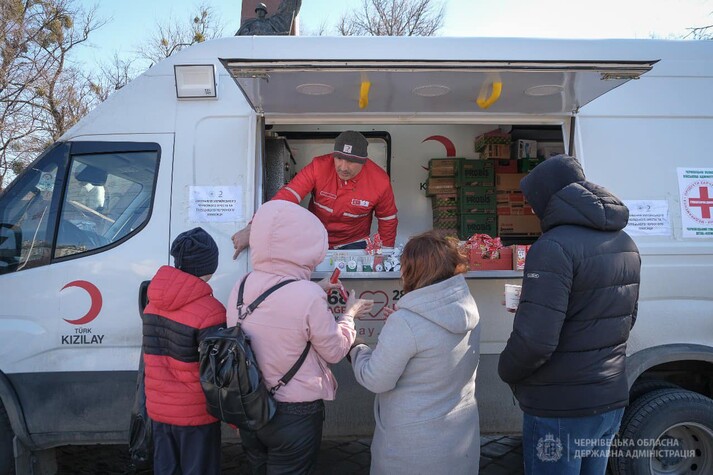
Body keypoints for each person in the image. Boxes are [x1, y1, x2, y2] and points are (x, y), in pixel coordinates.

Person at [497, 155, 641, 475]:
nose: (531, 210)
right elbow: (624, 319)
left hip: (561, 407)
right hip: (610, 399)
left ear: (548, 197)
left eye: (533, 201)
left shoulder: (552, 247)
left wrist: (506, 369)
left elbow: (535, 341)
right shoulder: (625, 242)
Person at [227, 200, 373, 474]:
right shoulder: (308, 295)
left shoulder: (241, 285)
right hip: (295, 414)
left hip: (250, 405)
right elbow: (334, 351)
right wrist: (349, 314)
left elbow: (276, 303)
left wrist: (317, 287)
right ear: (306, 244)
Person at [349, 230, 481, 475]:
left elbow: (375, 379)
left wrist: (355, 345)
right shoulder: (467, 306)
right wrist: (403, 327)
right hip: (459, 442)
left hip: (412, 451)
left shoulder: (407, 323)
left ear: (412, 270)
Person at [232, 130, 398, 258]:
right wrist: (253, 227)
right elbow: (286, 198)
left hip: (354, 245)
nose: (343, 167)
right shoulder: (319, 166)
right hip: (315, 239)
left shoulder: (380, 181)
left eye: (351, 161)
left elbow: (388, 221)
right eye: (339, 158)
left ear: (363, 161)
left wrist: (384, 255)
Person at [142, 227, 227, 475]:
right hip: (196, 414)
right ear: (209, 265)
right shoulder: (211, 311)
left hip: (159, 410)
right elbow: (218, 372)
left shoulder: (152, 305)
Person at [236, 0, 302, 36]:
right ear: (256, 12)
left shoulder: (270, 22)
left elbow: (285, 12)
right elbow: (244, 34)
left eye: (262, 10)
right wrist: (255, 33)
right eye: (258, 10)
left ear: (265, 13)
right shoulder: (250, 23)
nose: (260, 12)